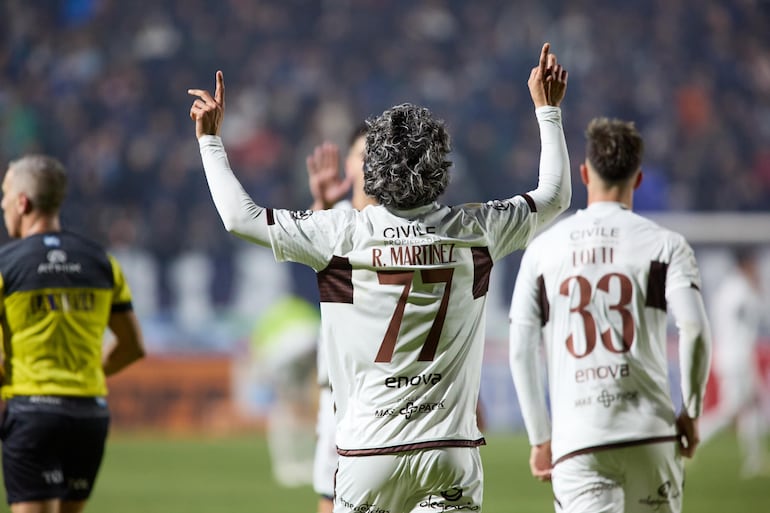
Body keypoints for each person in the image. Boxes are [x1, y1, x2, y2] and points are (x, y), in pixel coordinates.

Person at [189, 42, 569, 513]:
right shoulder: (477, 228)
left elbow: (238, 217)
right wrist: (547, 111)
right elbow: (554, 195)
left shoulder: (342, 232)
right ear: (440, 167)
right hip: (449, 451)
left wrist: (210, 140)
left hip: (369, 453)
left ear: (372, 171)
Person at [508, 117, 712, 513]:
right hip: (650, 432)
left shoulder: (544, 249)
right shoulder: (666, 244)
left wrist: (539, 436)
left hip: (579, 438)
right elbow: (695, 328)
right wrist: (691, 410)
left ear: (584, 174)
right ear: (637, 179)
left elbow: (521, 347)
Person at [0, 155, 146, 513]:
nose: (2, 204)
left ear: (22, 202)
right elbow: (132, 347)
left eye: (4, 194)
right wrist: (86, 373)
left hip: (32, 412)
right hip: (89, 415)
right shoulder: (101, 261)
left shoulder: (6, 264)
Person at [305, 124, 375, 513]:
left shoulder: (406, 225)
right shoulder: (339, 217)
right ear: (348, 164)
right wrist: (323, 206)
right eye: (361, 156)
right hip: (338, 392)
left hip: (389, 384)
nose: (367, 165)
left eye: (374, 156)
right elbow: (315, 244)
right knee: (331, 499)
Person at [700, 247, 768, 477]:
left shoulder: (727, 289)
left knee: (749, 408)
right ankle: (692, 439)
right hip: (737, 357)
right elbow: (749, 320)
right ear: (745, 265)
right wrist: (757, 289)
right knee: (732, 409)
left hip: (731, 355)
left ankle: (754, 459)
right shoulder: (741, 290)